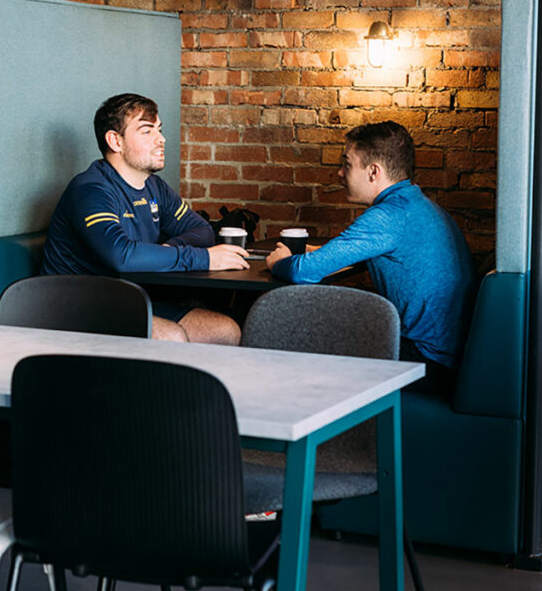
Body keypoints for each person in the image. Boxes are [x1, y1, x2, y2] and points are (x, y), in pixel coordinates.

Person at [266, 121, 476, 395]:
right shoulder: (418, 206)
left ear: (374, 172)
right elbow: (356, 254)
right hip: (448, 359)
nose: (339, 173)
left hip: (426, 363)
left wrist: (279, 261)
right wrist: (317, 254)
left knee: (291, 330)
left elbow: (301, 273)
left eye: (347, 164)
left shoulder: (387, 217)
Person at [42, 93, 248, 344]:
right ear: (115, 141)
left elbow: (202, 229)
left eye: (159, 130)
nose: (161, 139)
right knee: (170, 337)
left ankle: (196, 385)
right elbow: (122, 256)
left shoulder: (155, 187)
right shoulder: (91, 189)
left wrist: (170, 248)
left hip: (129, 299)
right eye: (147, 131)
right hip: (75, 307)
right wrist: (204, 259)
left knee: (226, 331)